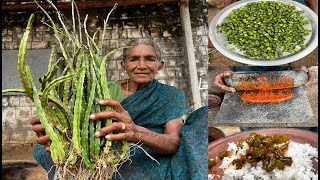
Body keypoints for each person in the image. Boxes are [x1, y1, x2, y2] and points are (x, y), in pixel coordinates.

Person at [30, 38, 208, 180]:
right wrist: (58, 132)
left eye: (150, 59)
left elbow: (172, 143)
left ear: (160, 65)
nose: (142, 65)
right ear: (123, 65)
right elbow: (84, 129)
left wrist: (137, 133)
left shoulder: (170, 95)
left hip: (144, 154)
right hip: (100, 154)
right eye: (133, 59)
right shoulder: (100, 90)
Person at [213, 65, 318, 133]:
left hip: (287, 71)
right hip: (242, 71)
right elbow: (225, 63)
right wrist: (224, 71)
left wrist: (301, 69)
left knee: (301, 134)